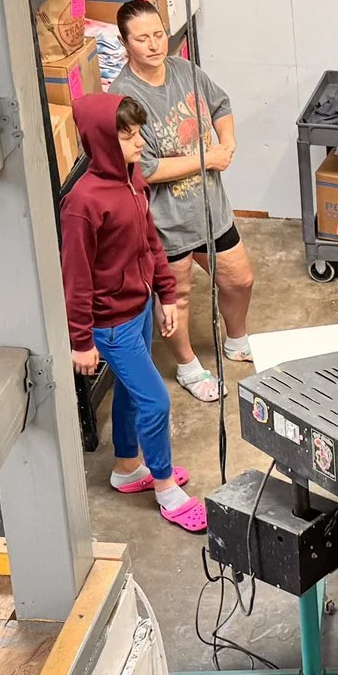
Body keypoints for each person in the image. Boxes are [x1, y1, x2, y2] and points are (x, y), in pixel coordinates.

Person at [60, 91, 209, 534]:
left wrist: (165, 294)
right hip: (110, 323)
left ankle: (127, 468)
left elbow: (151, 242)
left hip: (139, 307)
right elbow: (76, 277)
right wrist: (81, 340)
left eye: (138, 132)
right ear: (103, 141)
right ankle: (165, 489)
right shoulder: (83, 204)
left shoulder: (132, 180)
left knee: (130, 393)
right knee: (155, 400)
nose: (140, 143)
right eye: (127, 137)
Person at [109, 0, 253, 404]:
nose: (154, 45)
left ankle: (236, 340)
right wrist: (208, 158)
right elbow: (146, 169)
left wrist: (227, 143)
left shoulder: (184, 70)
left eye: (159, 34)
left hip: (212, 209)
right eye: (142, 39)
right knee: (179, 297)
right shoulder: (124, 97)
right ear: (125, 43)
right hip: (167, 222)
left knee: (239, 279)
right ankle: (188, 366)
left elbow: (220, 104)